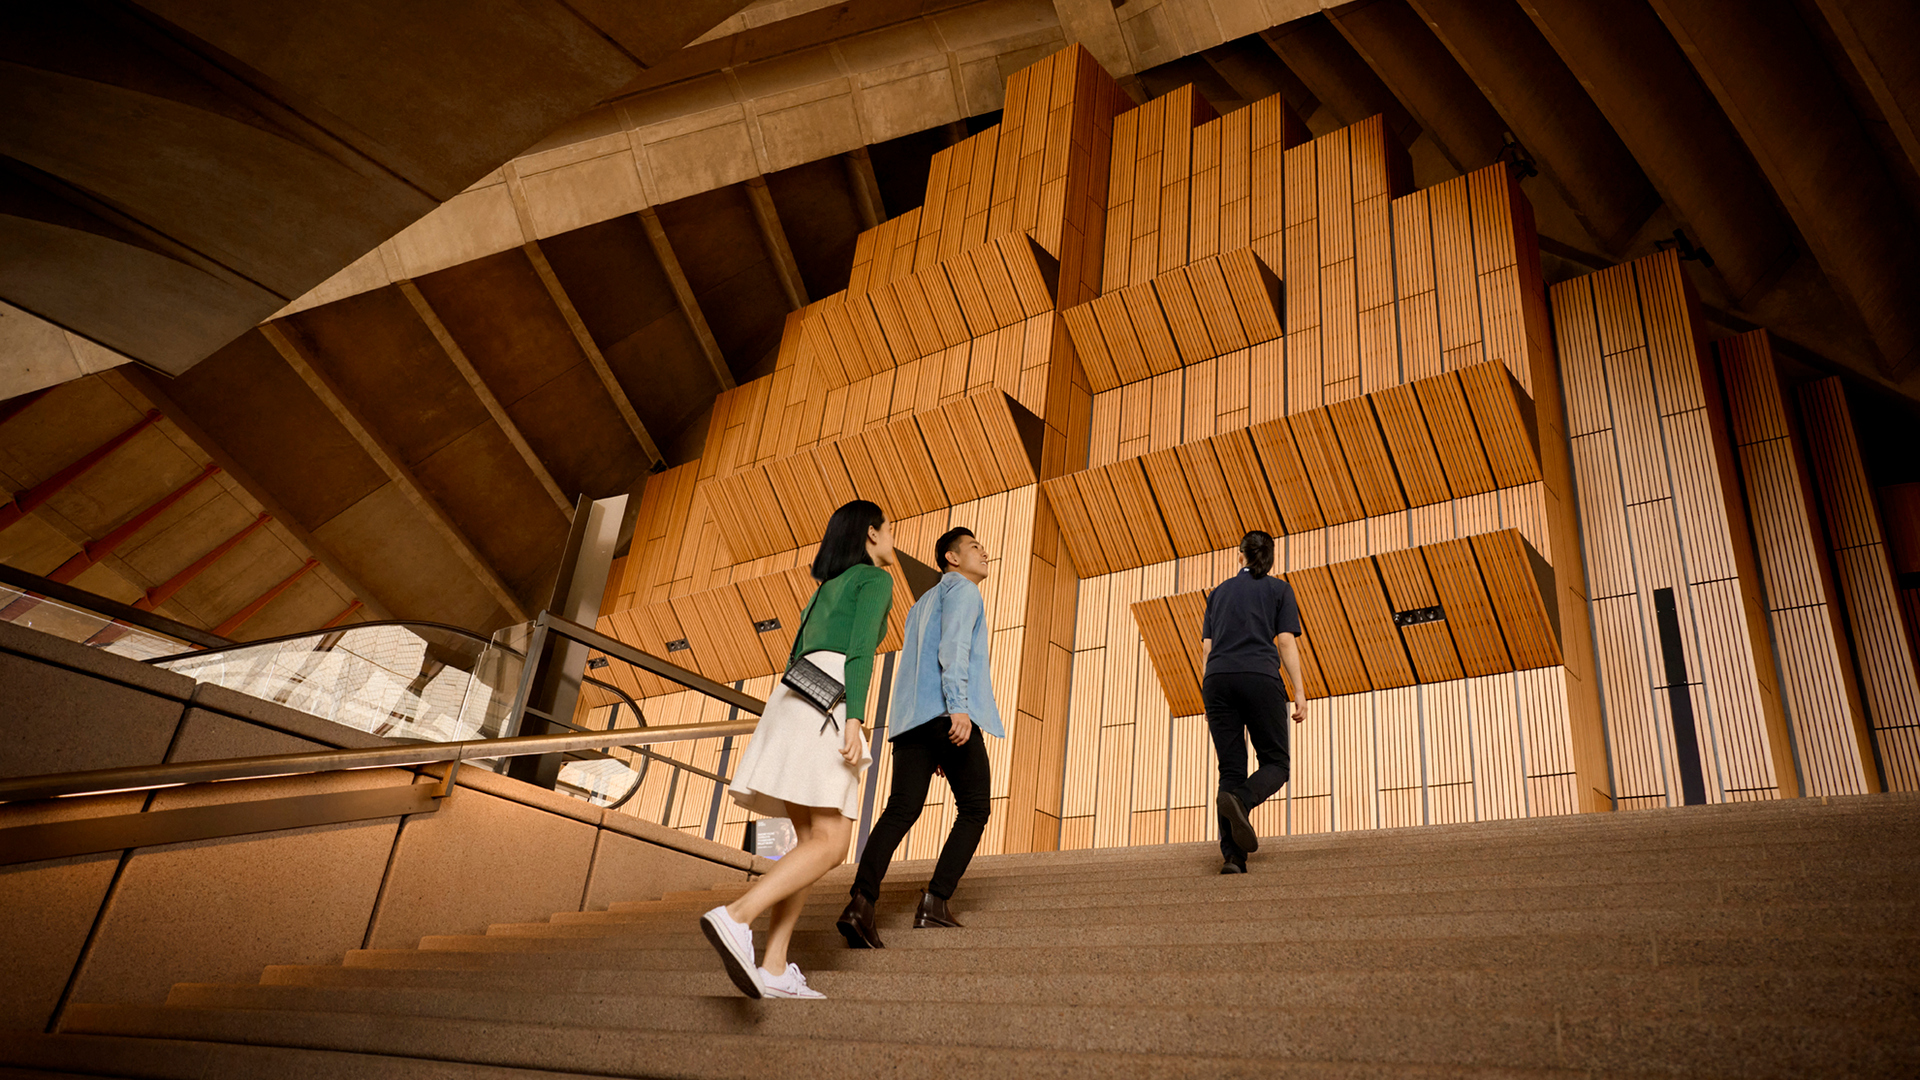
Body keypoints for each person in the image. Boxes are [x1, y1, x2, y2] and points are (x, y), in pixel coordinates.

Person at [700, 500, 895, 999]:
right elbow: (859, 653)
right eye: (888, 529)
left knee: (808, 841)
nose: (892, 539)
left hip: (789, 700)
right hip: (830, 700)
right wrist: (854, 716)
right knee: (832, 843)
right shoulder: (873, 580)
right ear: (871, 534)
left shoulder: (823, 589)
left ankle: (774, 964)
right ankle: (737, 916)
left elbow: (792, 655)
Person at [836, 526, 1001, 947]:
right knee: (975, 807)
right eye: (975, 548)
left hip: (911, 720)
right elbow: (954, 651)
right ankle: (935, 903)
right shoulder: (964, 591)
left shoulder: (921, 604)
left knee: (901, 808)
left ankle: (861, 902)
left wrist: (933, 728)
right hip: (947, 711)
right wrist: (958, 709)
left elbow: (916, 665)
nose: (985, 553)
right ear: (952, 557)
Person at [1201, 530, 1308, 874]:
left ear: (1239, 555)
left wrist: (1209, 694)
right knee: (1276, 764)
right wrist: (1299, 691)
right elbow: (1286, 642)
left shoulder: (1218, 594)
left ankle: (1233, 858)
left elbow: (1207, 648)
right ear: (1270, 559)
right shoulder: (1279, 589)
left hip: (1217, 680)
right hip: (1259, 677)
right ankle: (1242, 801)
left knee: (1230, 769)